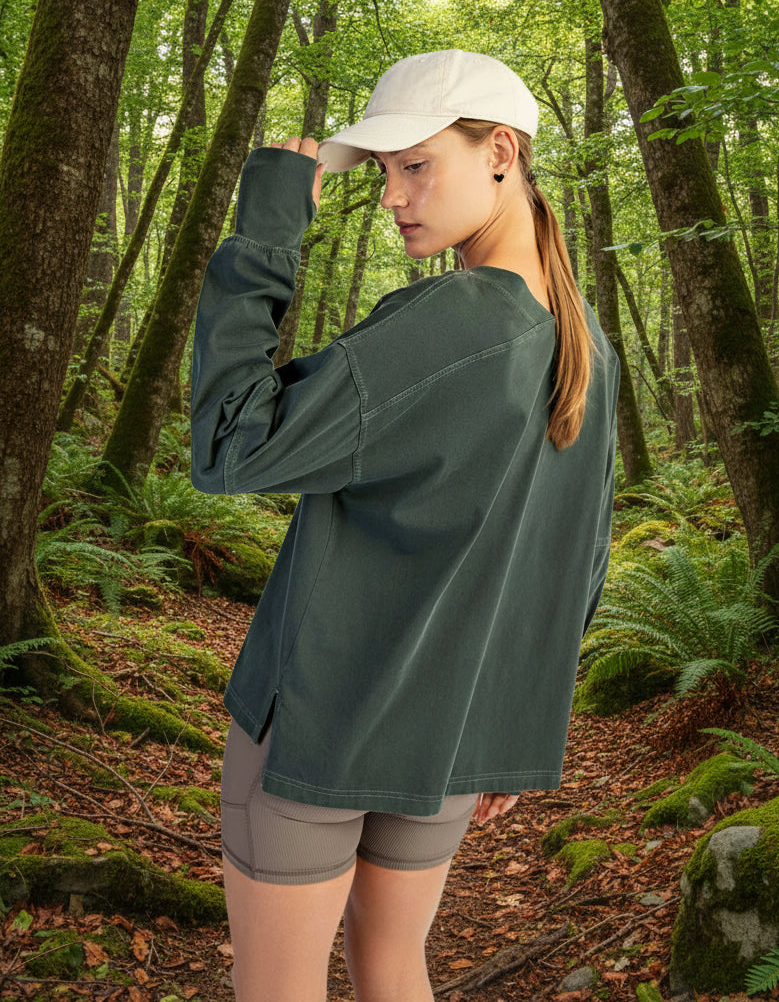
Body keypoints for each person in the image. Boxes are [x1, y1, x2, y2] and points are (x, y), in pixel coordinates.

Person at [189, 48, 620, 1002]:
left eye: (416, 164)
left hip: (321, 723)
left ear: (501, 151)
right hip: (450, 730)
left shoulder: (453, 321)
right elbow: (579, 559)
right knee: (393, 967)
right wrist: (511, 716)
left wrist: (265, 230)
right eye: (384, 171)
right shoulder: (588, 345)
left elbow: (231, 443)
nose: (392, 195)